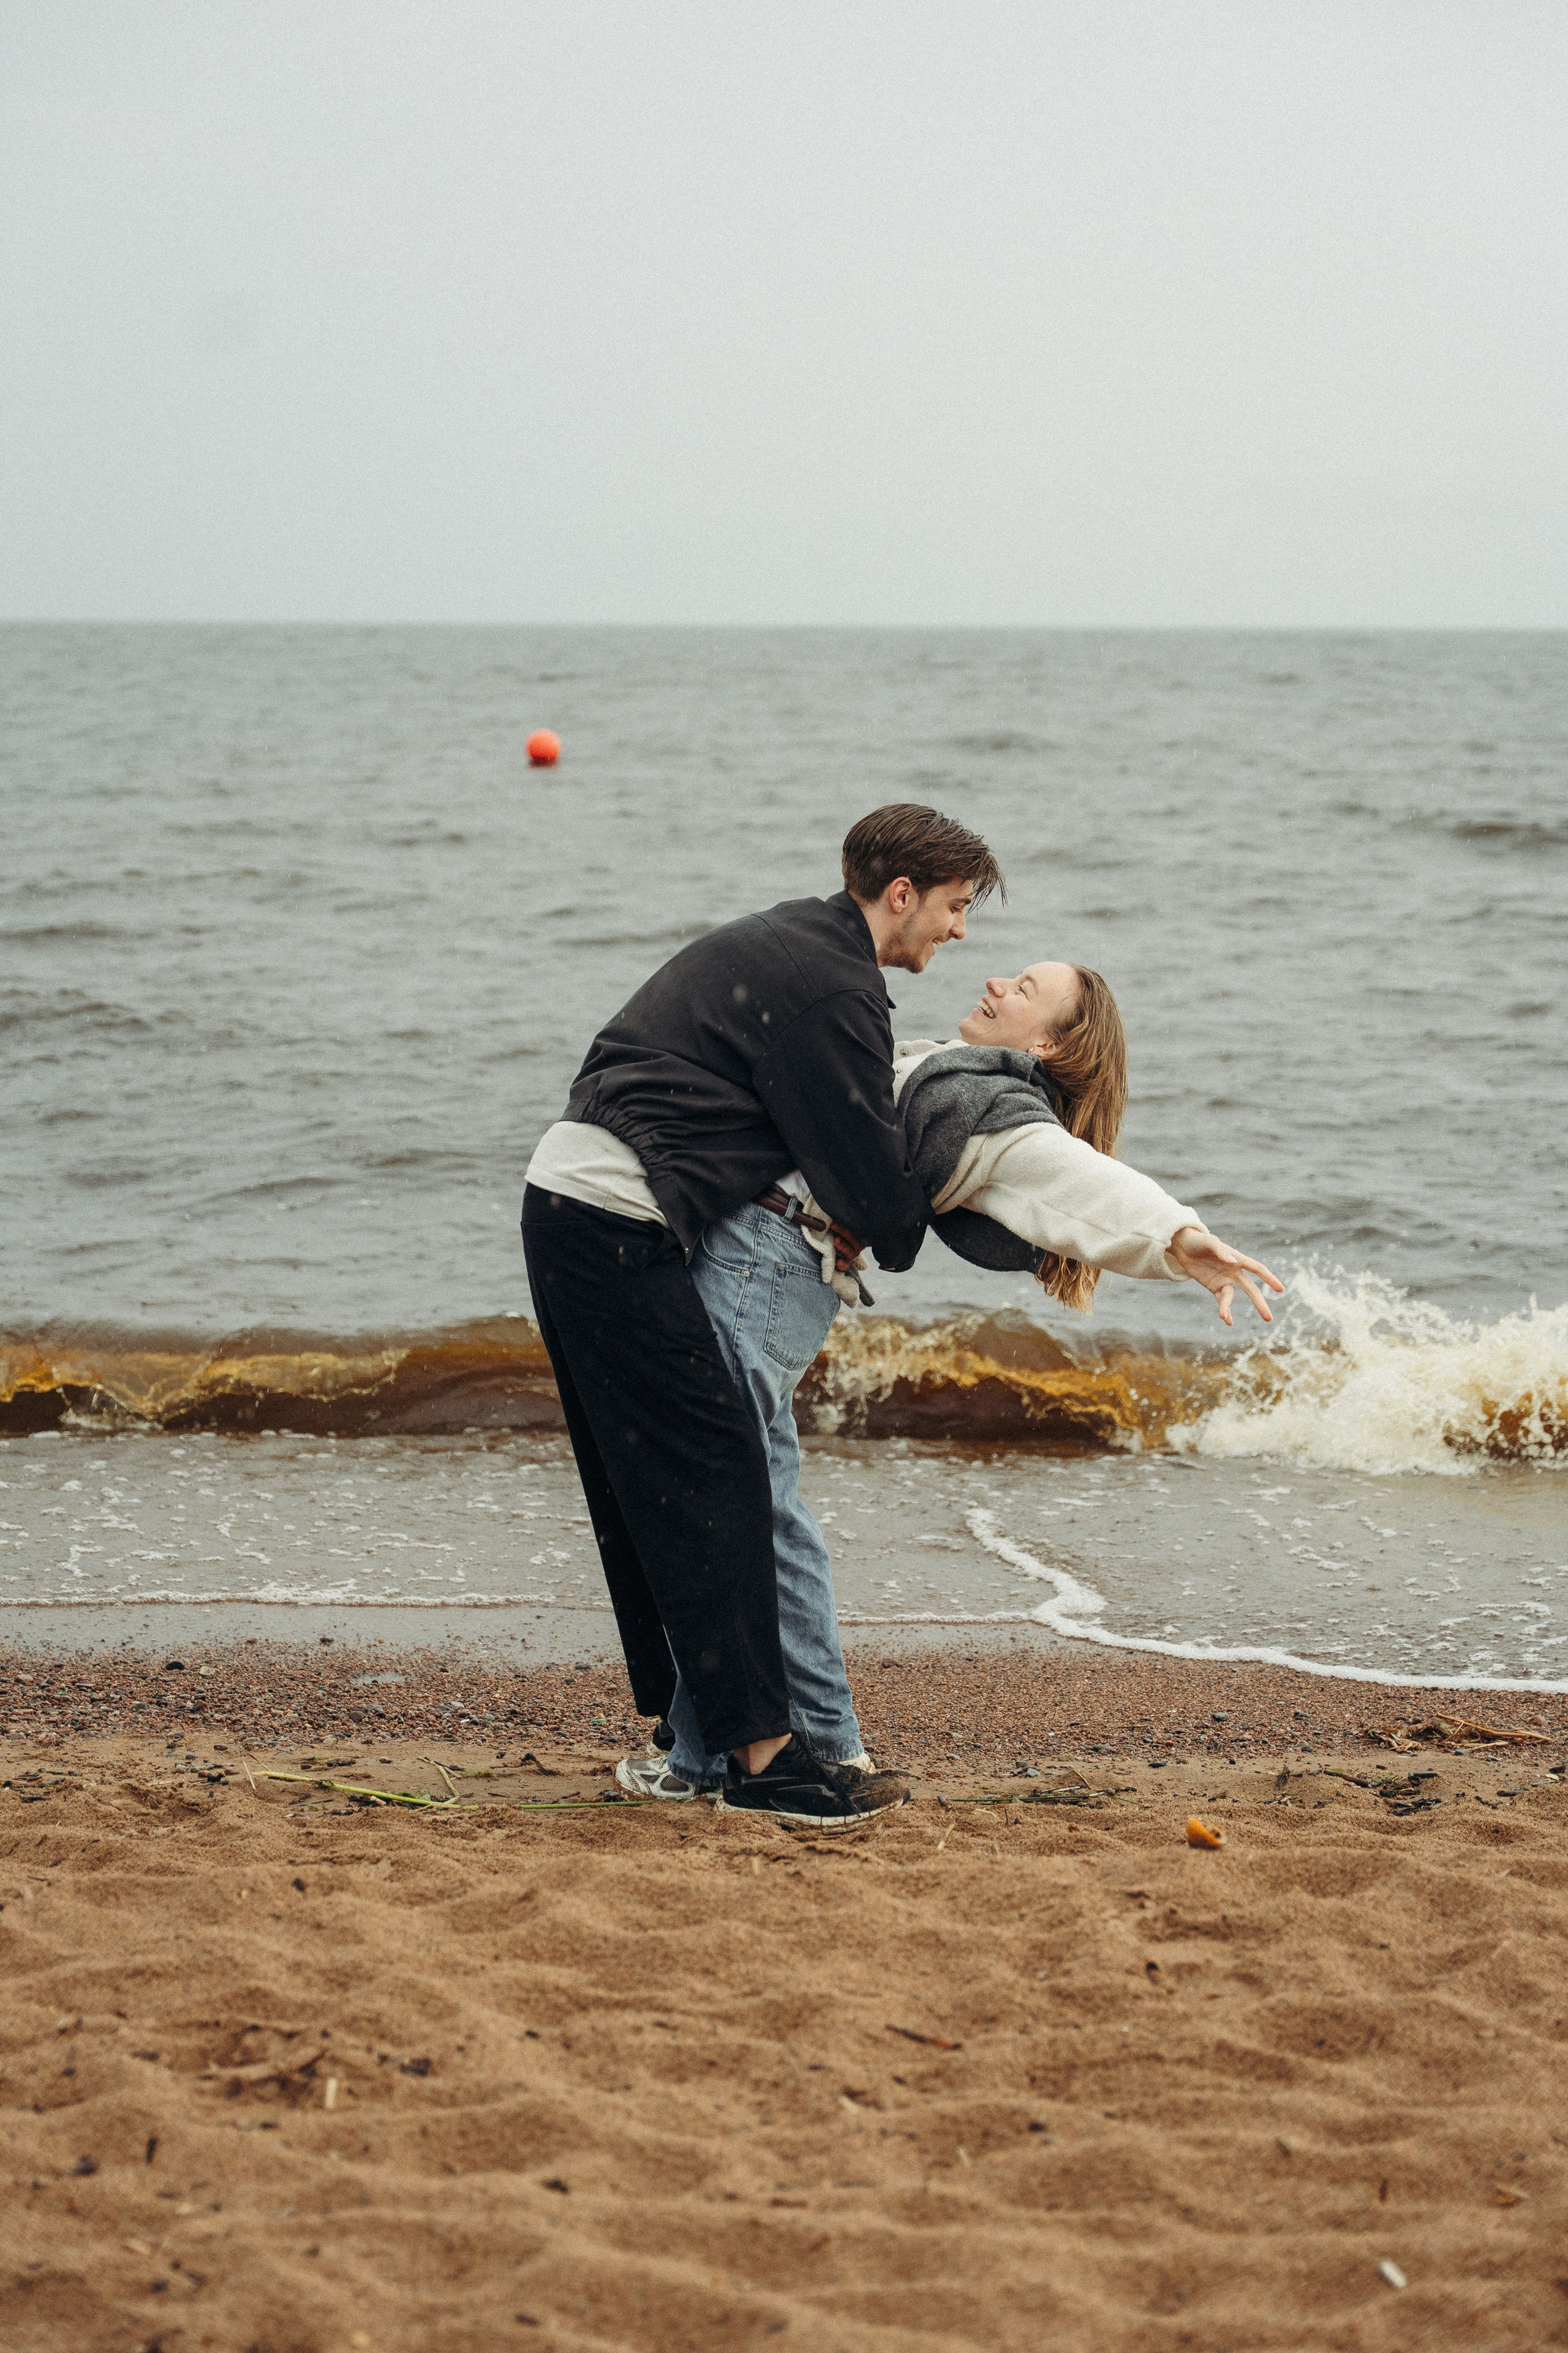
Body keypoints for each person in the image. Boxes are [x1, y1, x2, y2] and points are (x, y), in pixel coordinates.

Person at [635, 956, 1281, 1799]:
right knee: (729, 1500)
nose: (997, 984)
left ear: (1047, 1042)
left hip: (770, 1264)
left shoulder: (995, 1107)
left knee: (748, 1505)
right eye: (1011, 974)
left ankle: (830, 1745)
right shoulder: (955, 1070)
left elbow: (1077, 1176)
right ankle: (696, 1757)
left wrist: (1175, 1235)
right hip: (765, 1257)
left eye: (1024, 990)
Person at [521, 805, 1002, 1829]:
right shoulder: (839, 986)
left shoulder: (795, 942)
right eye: (956, 908)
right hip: (609, 1216)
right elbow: (871, 1186)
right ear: (902, 894)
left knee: (670, 1481)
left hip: (578, 1198)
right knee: (717, 1479)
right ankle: (764, 1762)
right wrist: (942, 1203)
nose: (960, 934)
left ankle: (704, 1743)